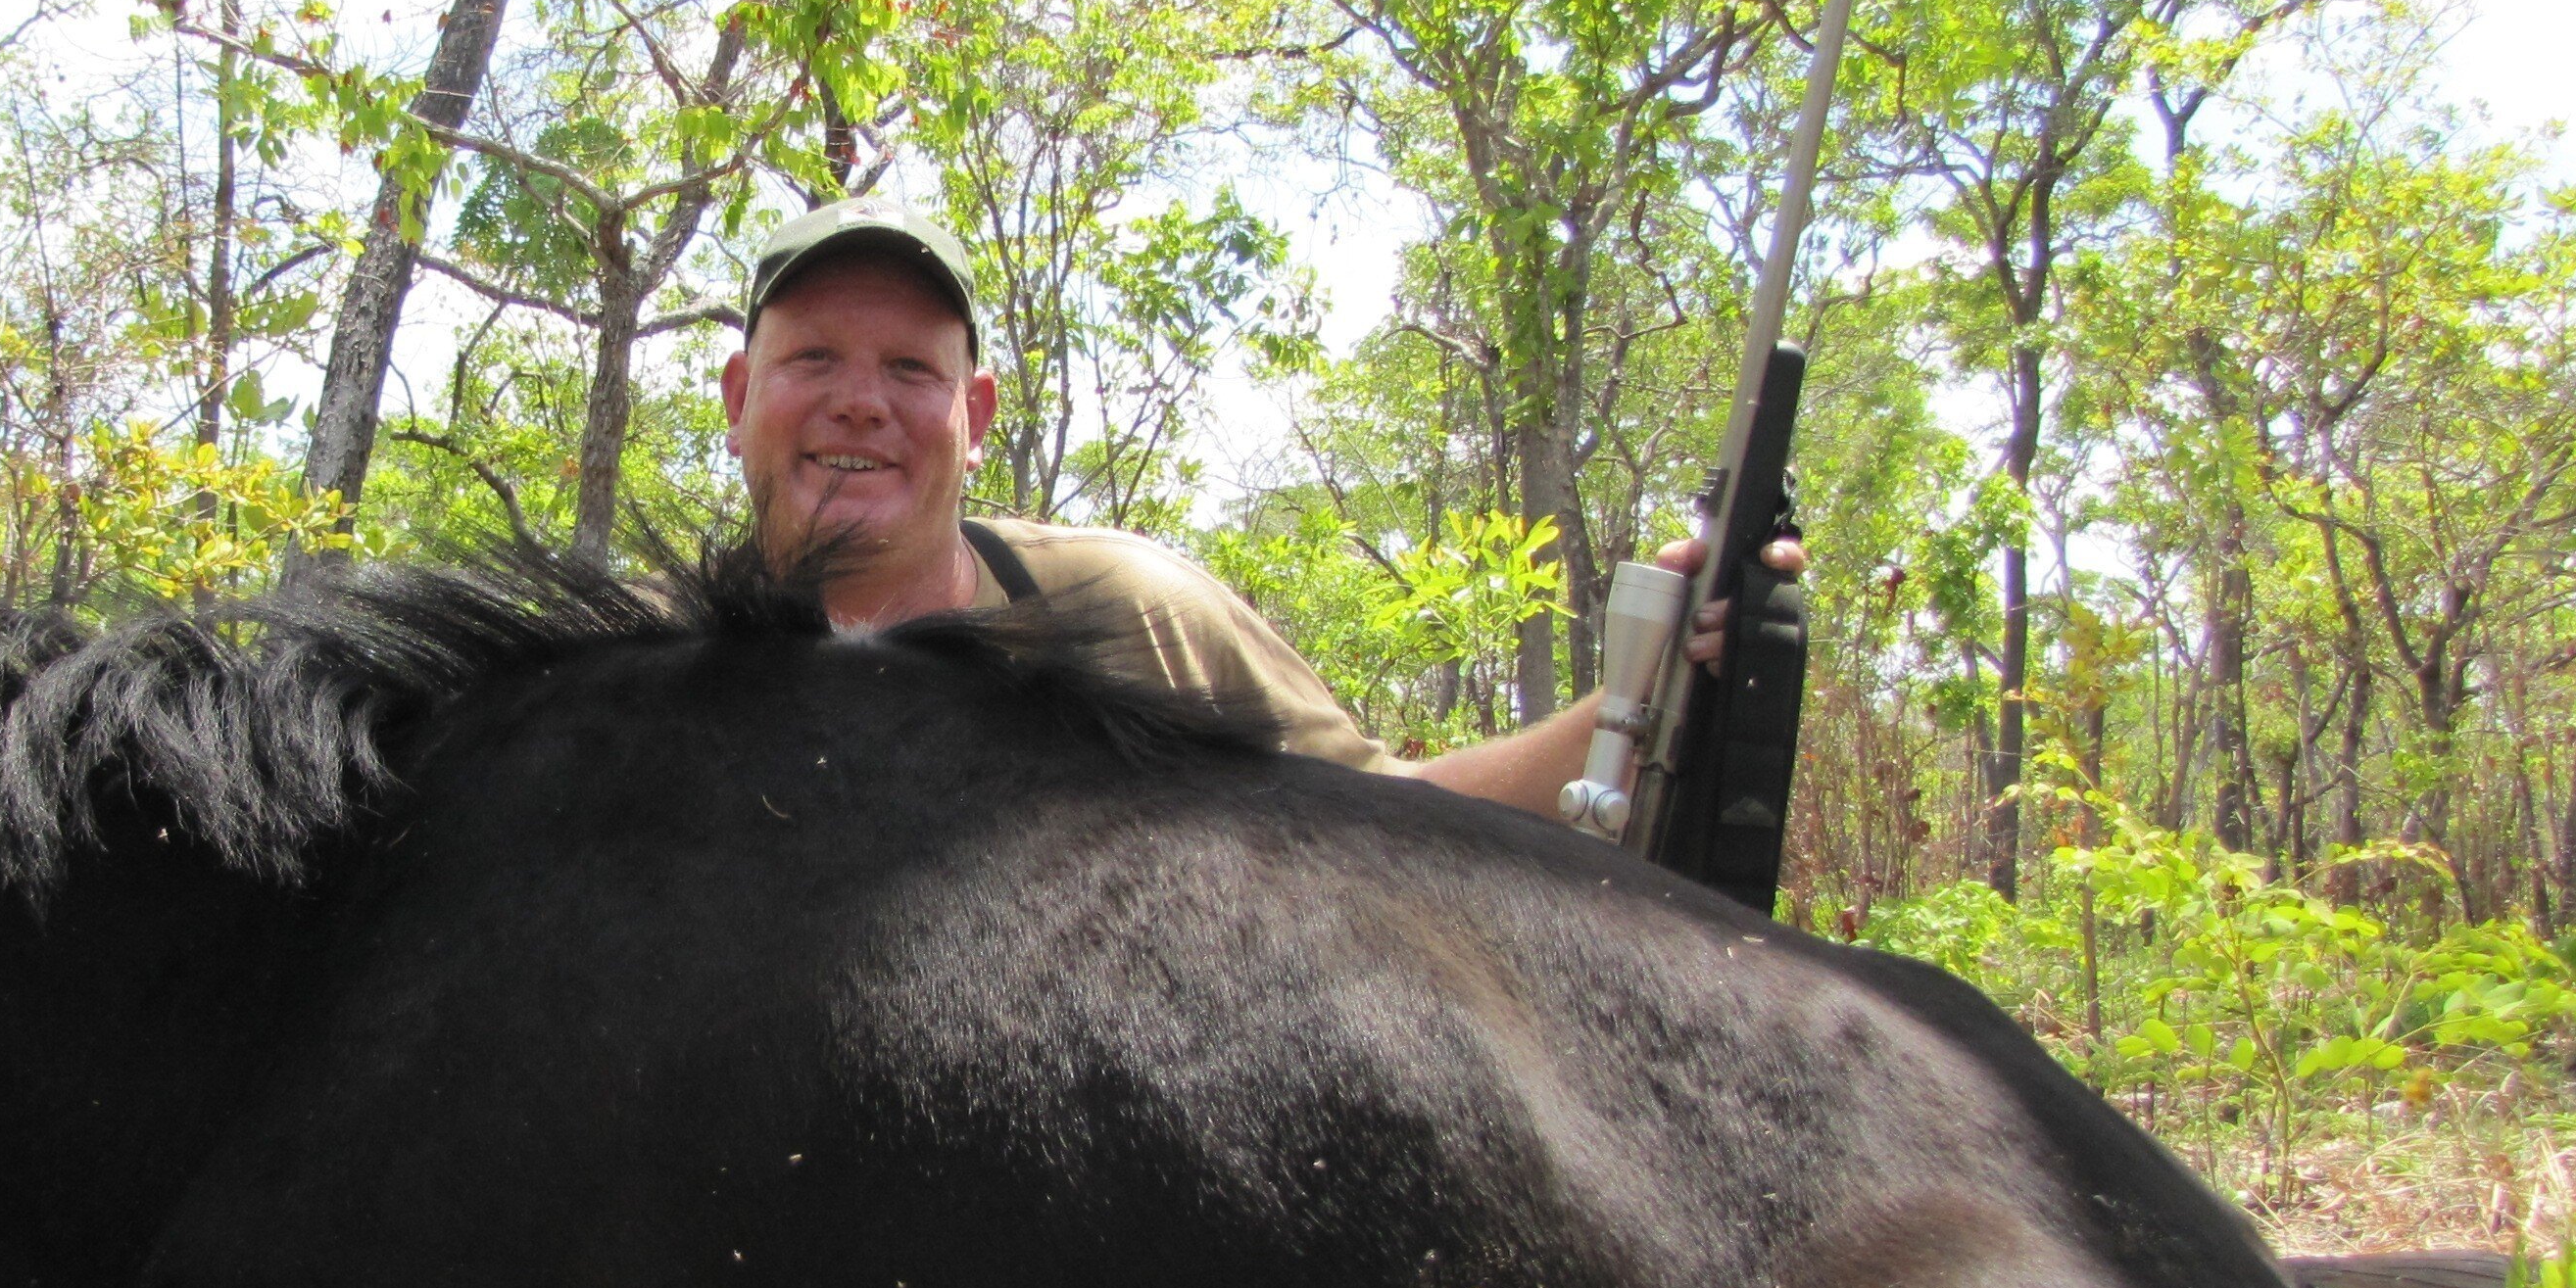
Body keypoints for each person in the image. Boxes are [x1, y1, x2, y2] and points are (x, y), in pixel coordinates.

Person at [716, 196, 1797, 816]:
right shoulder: (636, 676)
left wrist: (1640, 695)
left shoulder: (1126, 614)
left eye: (911, 370)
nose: (859, 405)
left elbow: (1394, 821)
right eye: (813, 358)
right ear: (737, 398)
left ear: (978, 414)